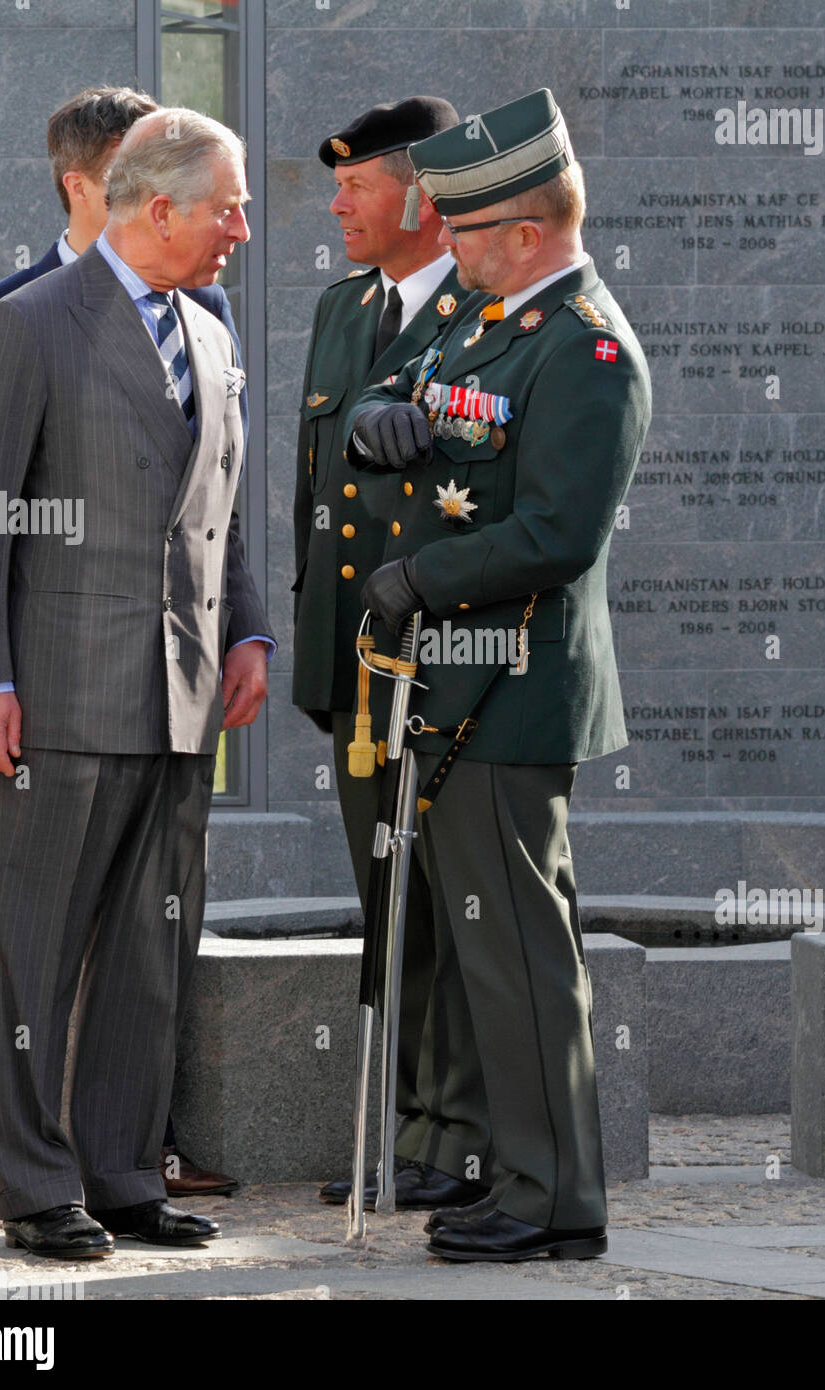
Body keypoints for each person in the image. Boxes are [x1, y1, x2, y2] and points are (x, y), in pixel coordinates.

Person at [0, 108, 273, 1258]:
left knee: (150, 943)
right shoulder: (25, 325)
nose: (243, 225)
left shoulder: (215, 334)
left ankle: (125, 1173)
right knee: (36, 945)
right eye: (228, 204)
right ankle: (36, 1184)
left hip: (185, 693)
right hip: (60, 691)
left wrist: (250, 633)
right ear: (159, 207)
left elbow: (230, 511)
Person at [345, 88, 652, 1261]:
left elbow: (556, 533)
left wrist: (417, 582)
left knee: (523, 952)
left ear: (525, 231)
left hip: (510, 686)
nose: (448, 245)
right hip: (447, 687)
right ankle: (517, 1173)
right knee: (489, 949)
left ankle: (554, 1198)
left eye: (466, 231)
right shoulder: (482, 319)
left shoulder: (586, 345)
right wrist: (381, 414)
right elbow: (407, 386)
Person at [290, 96, 485, 1213]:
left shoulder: (484, 307)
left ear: (419, 194)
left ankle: (452, 1138)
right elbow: (313, 499)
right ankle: (403, 1127)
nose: (338, 204)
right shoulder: (341, 307)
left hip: (441, 664)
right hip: (352, 667)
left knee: (451, 909)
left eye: (356, 185)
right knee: (387, 902)